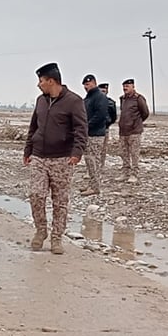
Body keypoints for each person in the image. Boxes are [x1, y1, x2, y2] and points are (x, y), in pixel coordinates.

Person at [23, 63, 88, 253]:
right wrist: (28, 150)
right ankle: (40, 230)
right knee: (36, 195)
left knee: (60, 201)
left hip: (62, 159)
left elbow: (81, 130)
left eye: (41, 81)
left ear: (51, 81)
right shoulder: (40, 101)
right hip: (39, 157)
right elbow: (33, 127)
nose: (38, 85)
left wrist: (77, 153)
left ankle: (57, 238)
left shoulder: (74, 101)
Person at [80, 74, 113, 195]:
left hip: (95, 134)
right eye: (84, 85)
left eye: (87, 84)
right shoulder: (88, 98)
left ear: (94, 83)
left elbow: (100, 115)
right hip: (88, 134)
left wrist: (87, 126)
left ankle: (95, 187)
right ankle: (92, 184)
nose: (85, 87)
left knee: (94, 161)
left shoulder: (99, 97)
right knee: (89, 161)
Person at [118, 78, 150, 183]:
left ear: (133, 86)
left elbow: (145, 113)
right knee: (124, 153)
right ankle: (125, 172)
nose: (125, 88)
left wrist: (137, 123)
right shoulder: (122, 99)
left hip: (134, 131)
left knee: (134, 154)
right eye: (124, 86)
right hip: (123, 132)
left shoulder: (138, 98)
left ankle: (134, 174)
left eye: (127, 86)